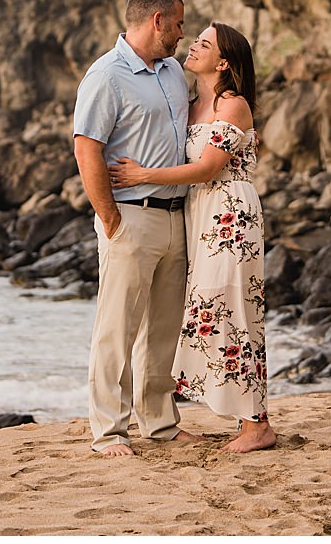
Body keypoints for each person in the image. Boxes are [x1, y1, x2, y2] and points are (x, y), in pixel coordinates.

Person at [109, 22, 275, 453]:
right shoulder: (191, 100)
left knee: (234, 309)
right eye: (194, 37)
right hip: (198, 215)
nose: (192, 45)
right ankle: (244, 417)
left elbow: (207, 168)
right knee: (210, 310)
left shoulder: (232, 105)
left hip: (229, 215)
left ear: (222, 61)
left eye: (203, 42)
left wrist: (143, 176)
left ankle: (256, 425)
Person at [72, 0, 199, 457]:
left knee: (163, 327)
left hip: (175, 214)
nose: (183, 33)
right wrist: (109, 217)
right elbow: (87, 146)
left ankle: (160, 422)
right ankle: (108, 430)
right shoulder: (105, 76)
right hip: (131, 216)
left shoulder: (171, 71)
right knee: (117, 327)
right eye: (179, 24)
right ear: (157, 21)